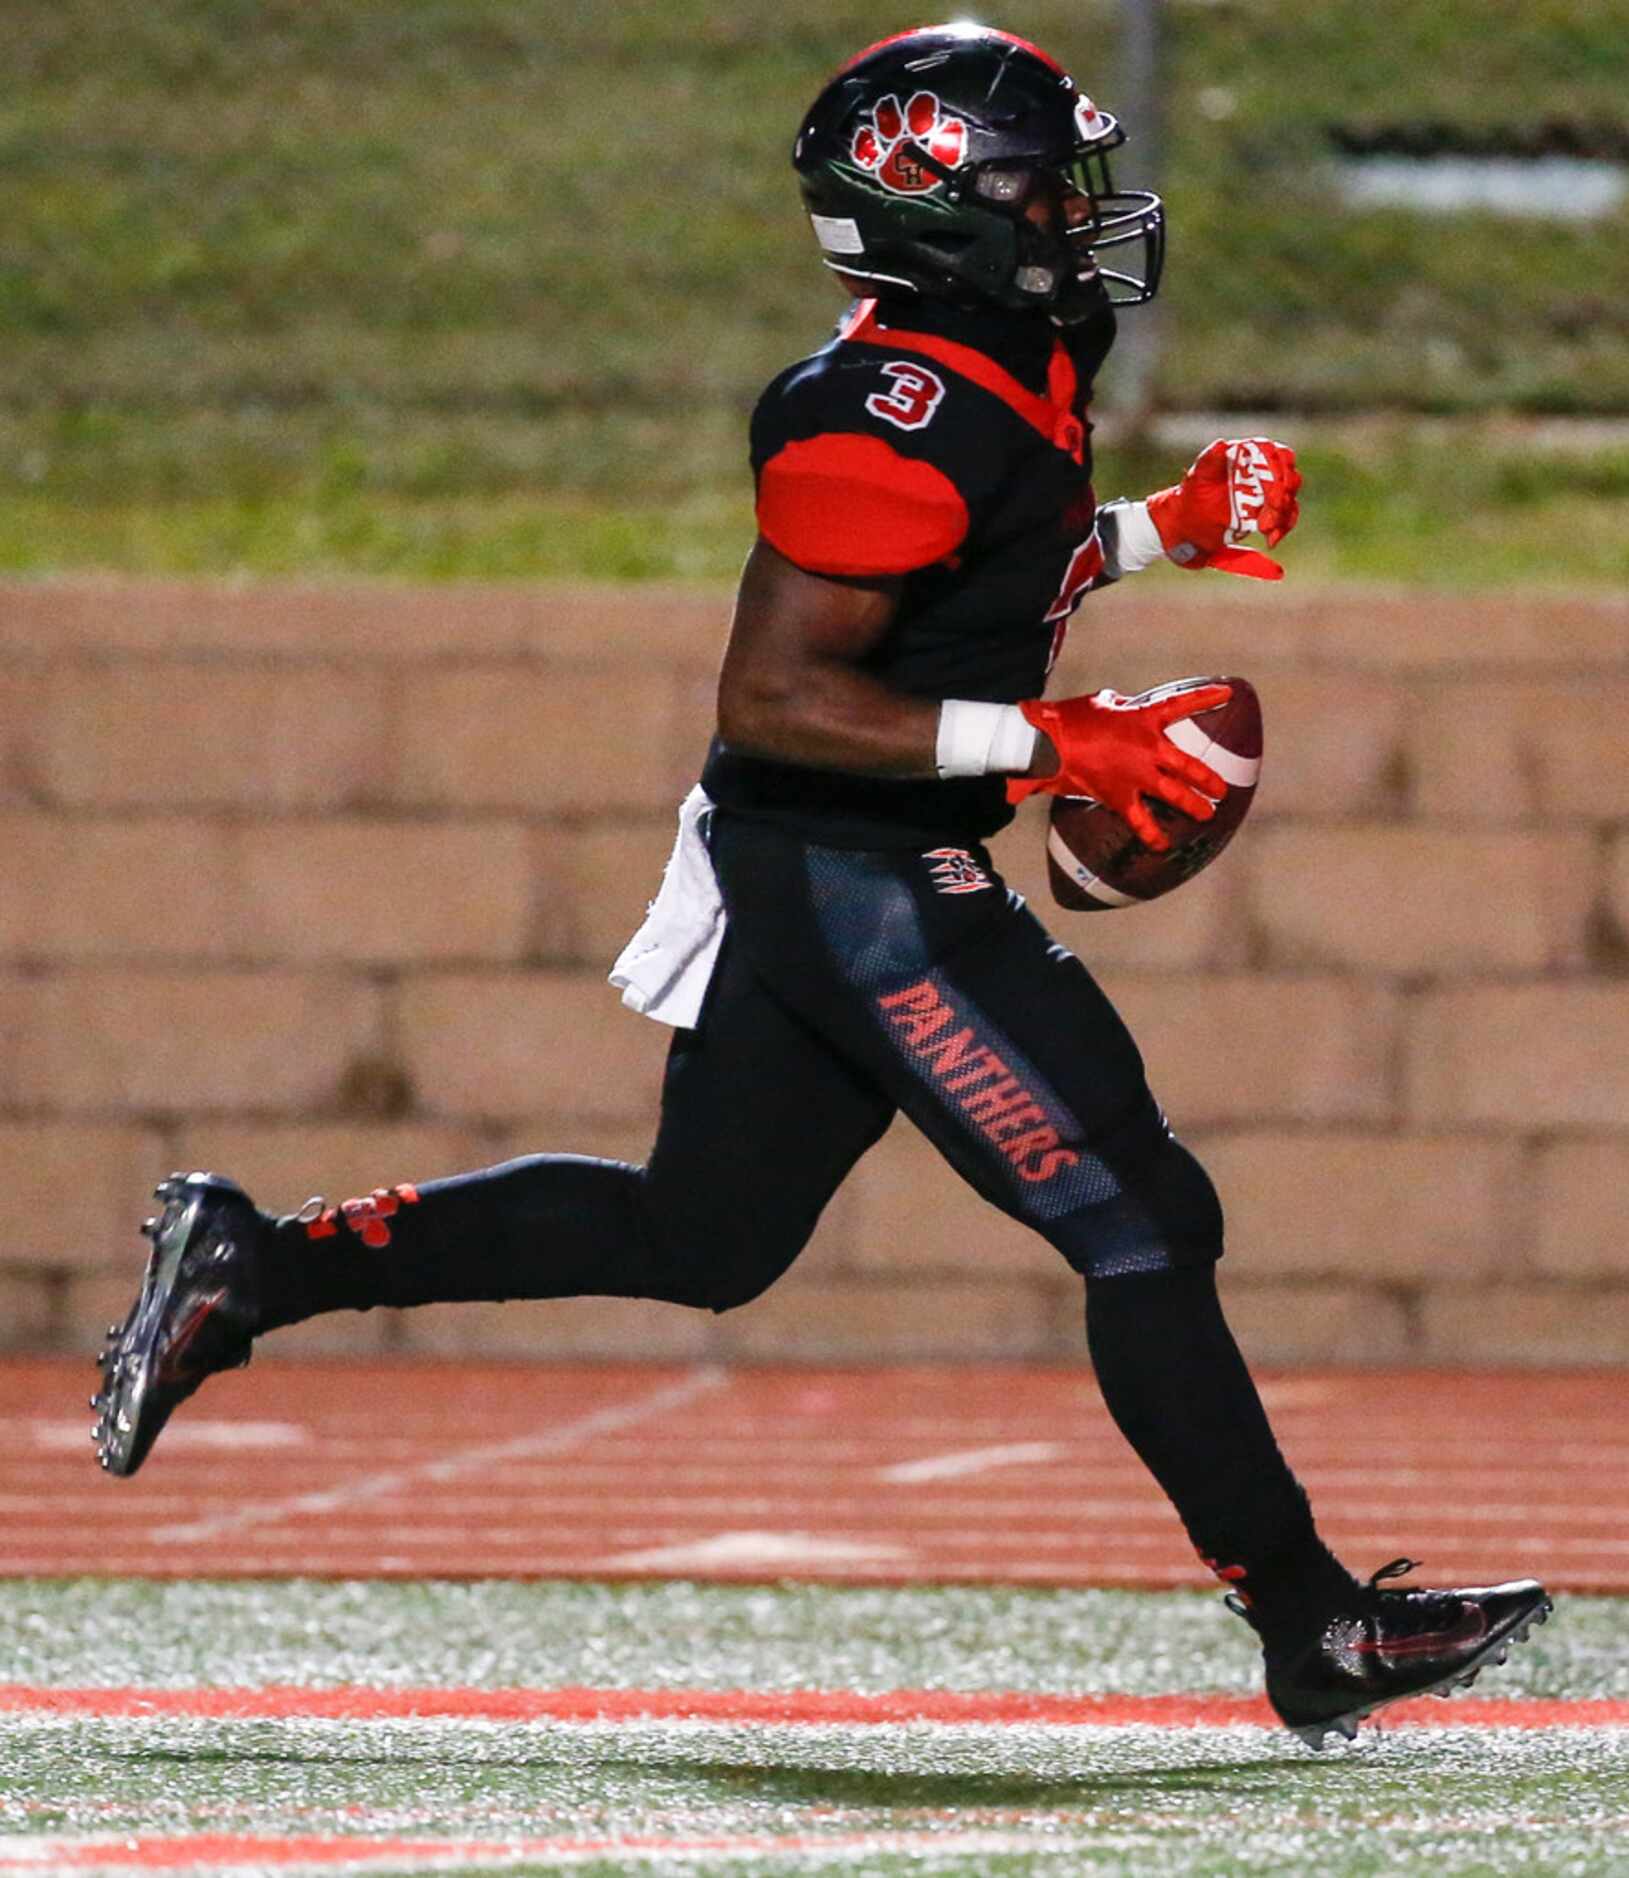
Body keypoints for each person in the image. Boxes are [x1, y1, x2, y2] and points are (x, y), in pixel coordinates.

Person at [92, 23, 1548, 1749]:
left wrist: (1159, 529)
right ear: (925, 208)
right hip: (849, 862)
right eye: (1029, 185)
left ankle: (254, 1264)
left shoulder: (1015, 344)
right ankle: (1316, 1627)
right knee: (1142, 1220)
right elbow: (780, 696)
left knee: (700, 1235)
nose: (1072, 212)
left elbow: (999, 551)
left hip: (841, 855)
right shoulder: (874, 407)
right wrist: (1055, 746)